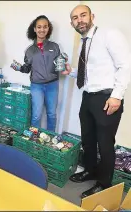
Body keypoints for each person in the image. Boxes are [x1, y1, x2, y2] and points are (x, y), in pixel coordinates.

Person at [65, 5, 131, 198]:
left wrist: (117, 96)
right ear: (72, 24)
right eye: (75, 18)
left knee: (105, 144)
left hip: (107, 98)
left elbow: (125, 65)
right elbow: (91, 73)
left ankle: (104, 183)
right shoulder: (84, 42)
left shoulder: (109, 34)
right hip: (88, 97)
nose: (80, 20)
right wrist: (72, 73)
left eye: (83, 15)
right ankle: (90, 170)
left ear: (92, 16)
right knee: (88, 139)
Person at [17, 15, 63, 132]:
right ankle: (34, 140)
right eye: (39, 27)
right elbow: (27, 69)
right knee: (36, 115)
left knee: (52, 114)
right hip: (36, 86)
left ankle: (50, 140)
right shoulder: (29, 50)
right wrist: (19, 68)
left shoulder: (54, 46)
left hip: (52, 85)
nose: (42, 30)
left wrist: (63, 65)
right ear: (34, 29)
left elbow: (59, 65)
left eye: (45, 27)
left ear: (48, 28)